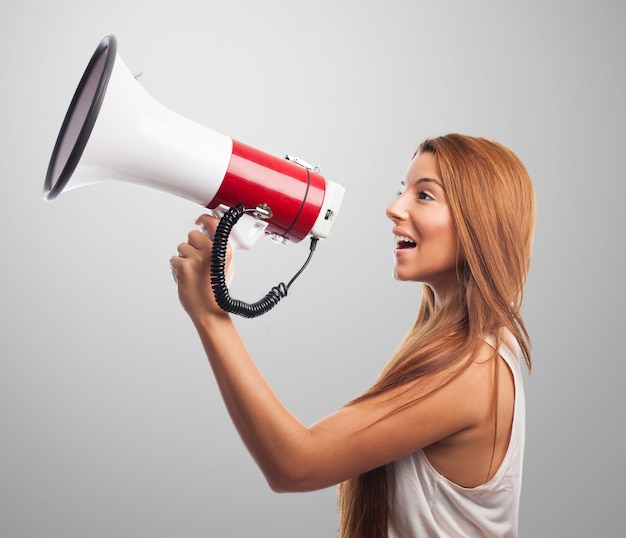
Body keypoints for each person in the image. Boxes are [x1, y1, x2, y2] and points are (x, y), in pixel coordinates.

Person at [170, 133, 536, 538]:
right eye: (402, 191)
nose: (394, 208)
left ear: (481, 220)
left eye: (425, 195)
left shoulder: (471, 370)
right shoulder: (469, 349)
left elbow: (296, 464)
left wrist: (210, 314)